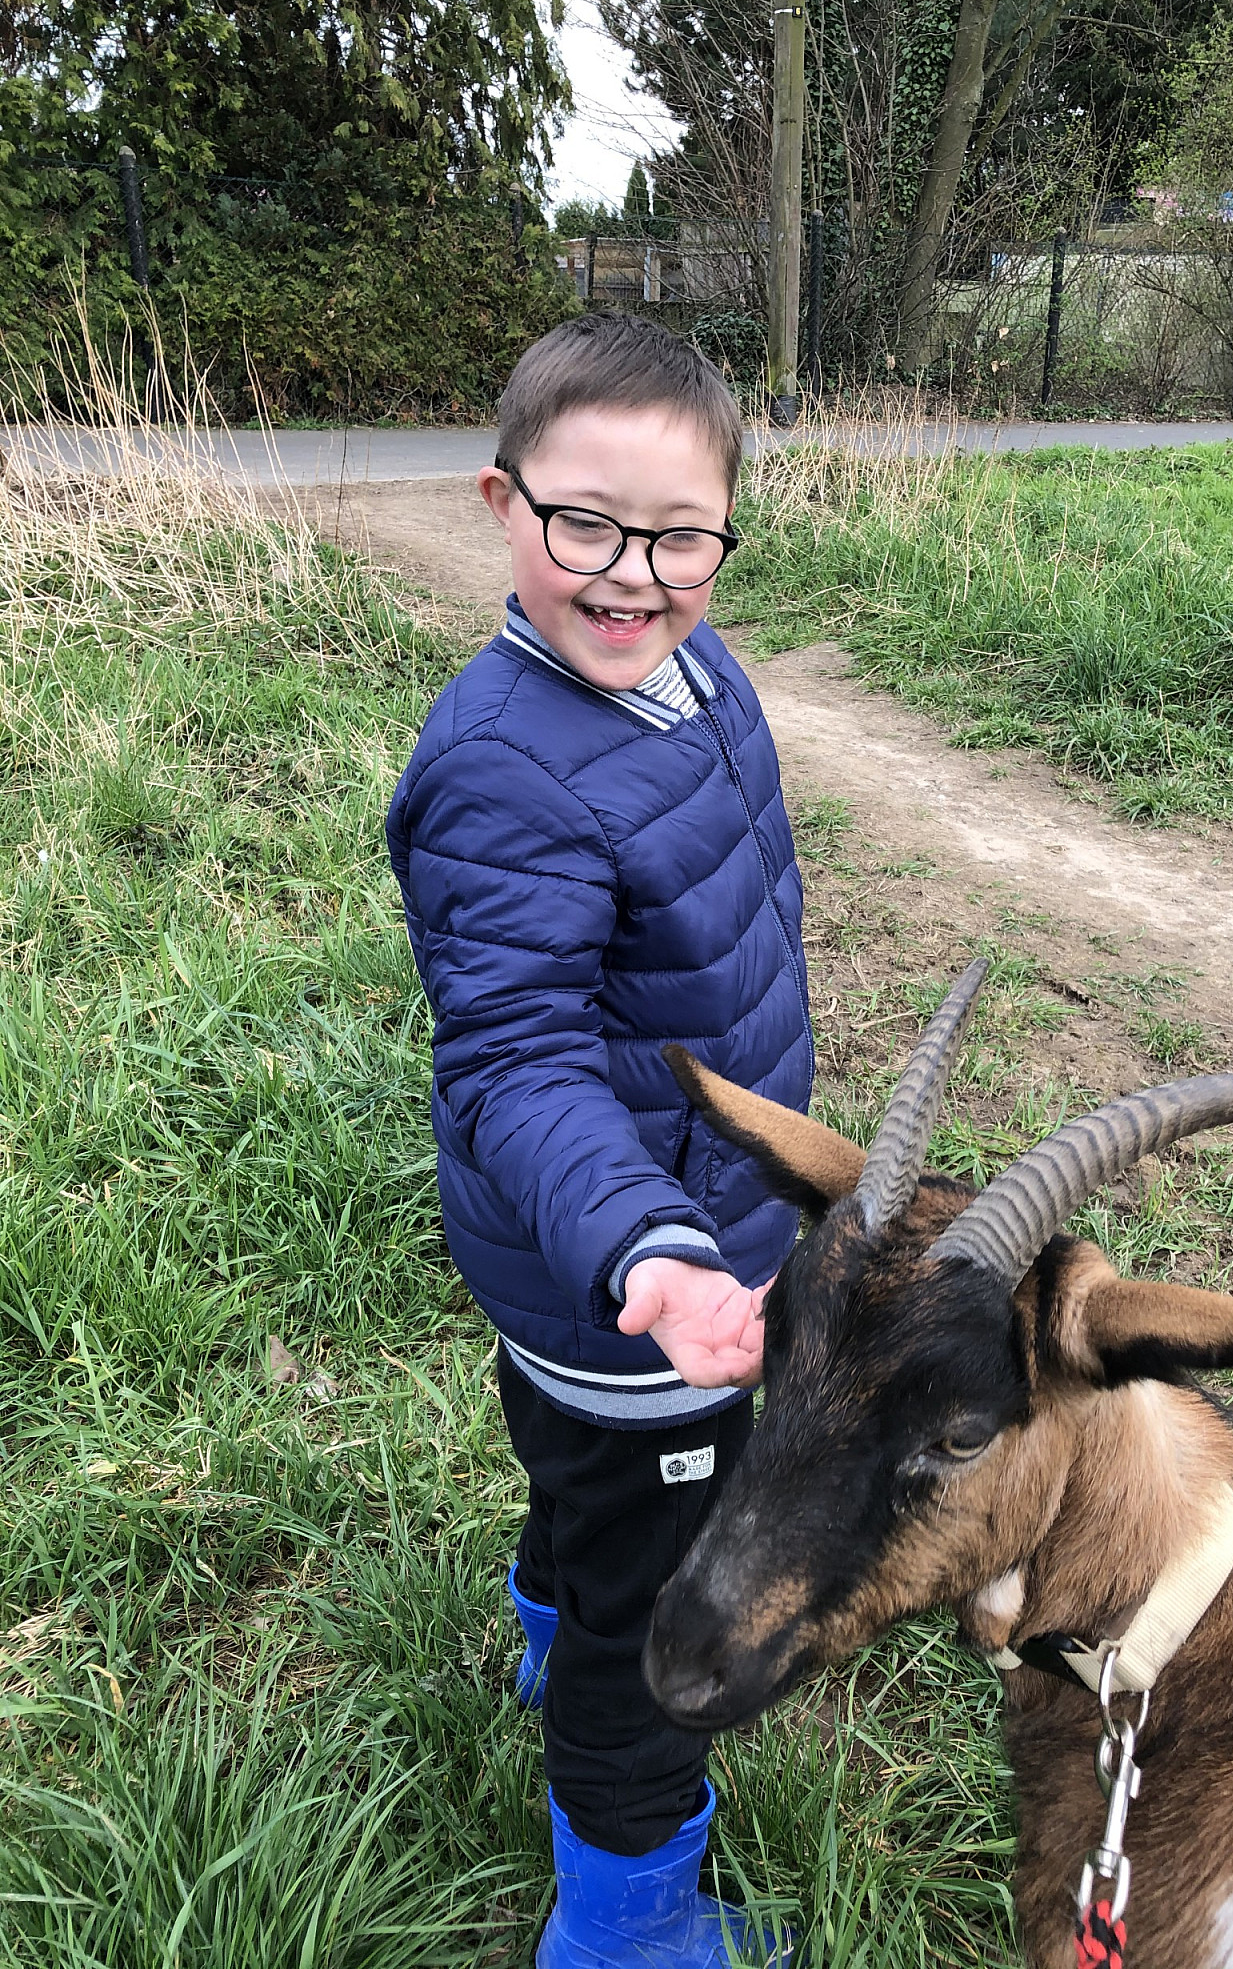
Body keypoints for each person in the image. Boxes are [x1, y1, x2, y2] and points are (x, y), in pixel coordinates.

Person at [385, 312, 811, 1969]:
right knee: (661, 1627)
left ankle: (544, 1633)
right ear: (503, 503)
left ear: (725, 533)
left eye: (681, 536)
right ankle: (628, 1932)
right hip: (638, 1273)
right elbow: (516, 1057)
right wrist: (652, 1245)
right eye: (586, 525)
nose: (633, 575)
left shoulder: (694, 669)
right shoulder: (504, 772)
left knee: (585, 1486)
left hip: (619, 1256)